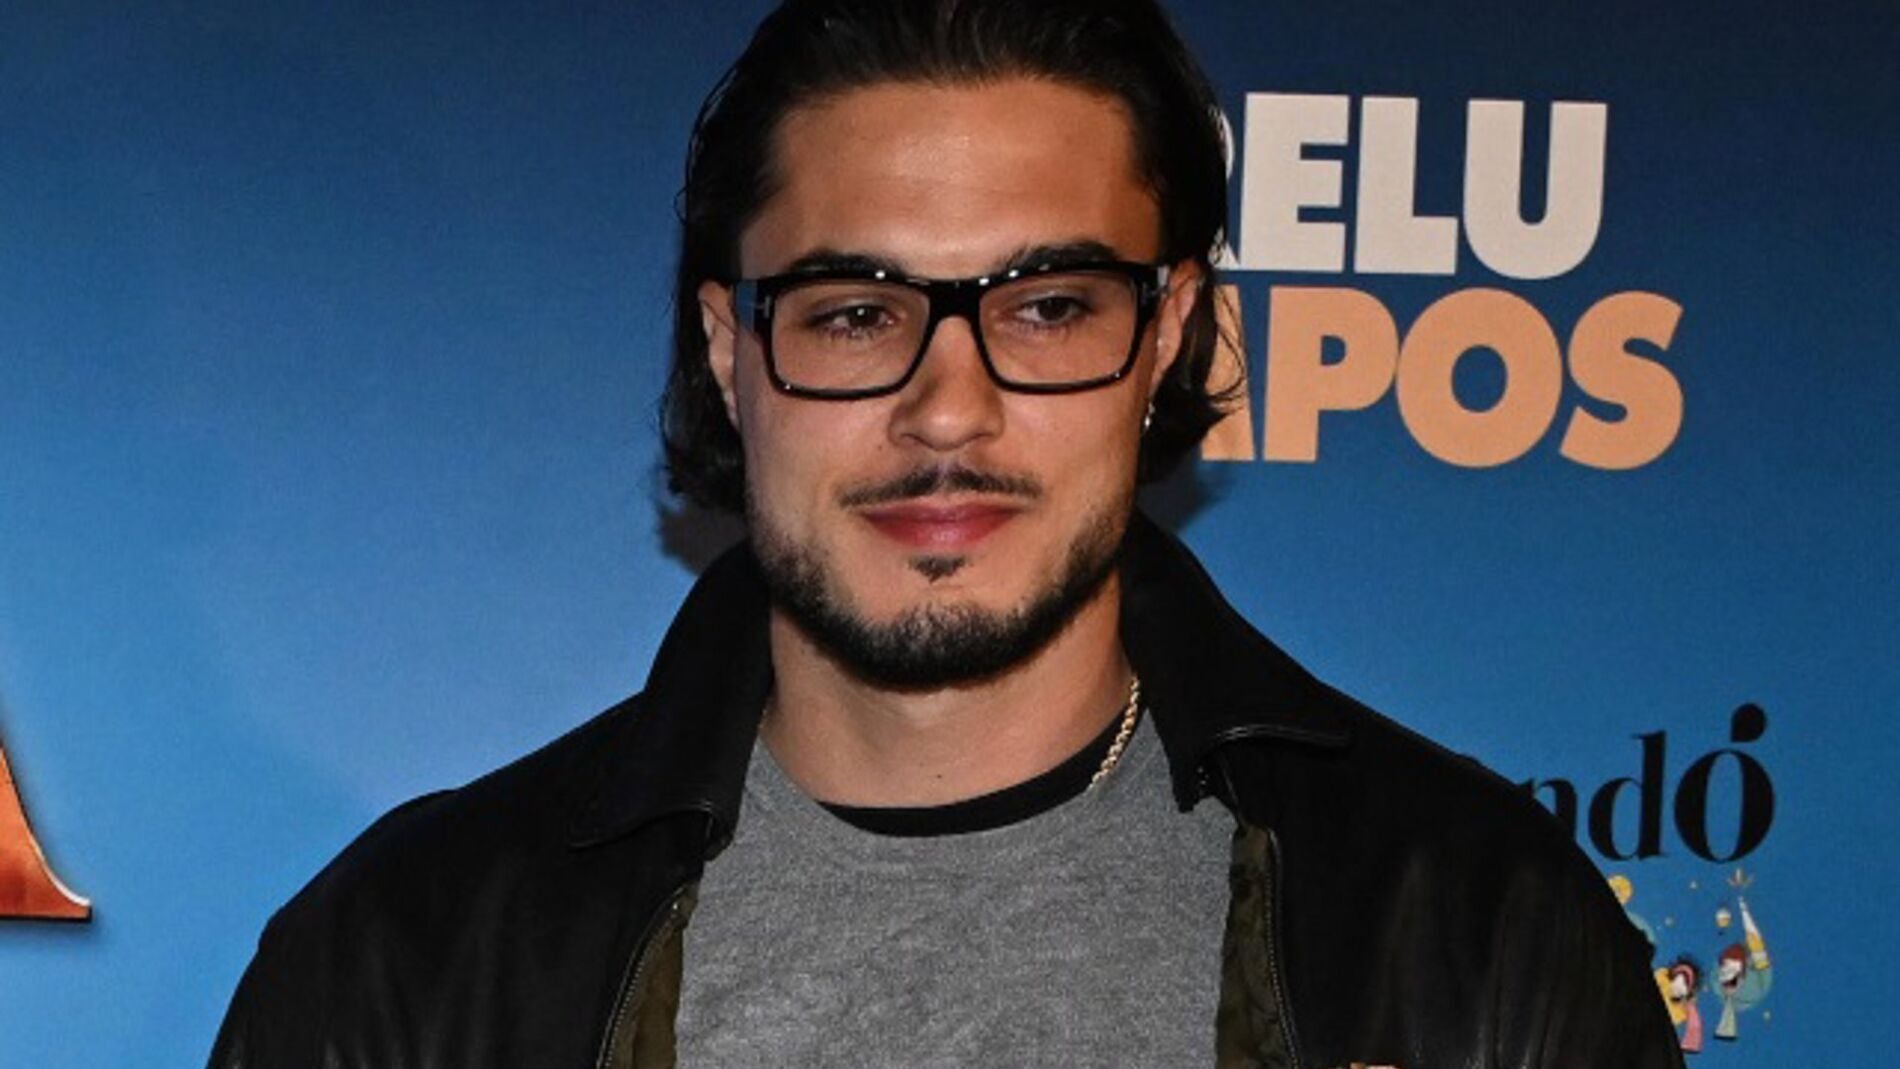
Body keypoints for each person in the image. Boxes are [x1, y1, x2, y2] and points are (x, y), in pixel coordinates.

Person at [211, 1, 1684, 1065]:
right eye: (857, 314)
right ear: (729, 352)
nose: (948, 410)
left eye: (1049, 308)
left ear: (1170, 332)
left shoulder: (1482, 929)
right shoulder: (399, 965)